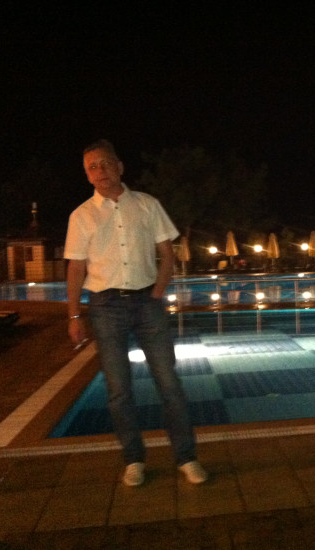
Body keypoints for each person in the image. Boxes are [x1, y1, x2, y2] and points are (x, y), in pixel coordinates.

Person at [64, 139, 207, 487]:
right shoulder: (81, 216)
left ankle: (186, 457)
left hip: (147, 302)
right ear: (87, 175)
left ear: (119, 166)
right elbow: (75, 268)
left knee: (169, 383)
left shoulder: (147, 204)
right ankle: (133, 459)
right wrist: (74, 316)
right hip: (105, 307)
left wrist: (157, 292)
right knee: (119, 390)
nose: (100, 171)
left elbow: (167, 253)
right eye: (92, 167)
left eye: (105, 163)